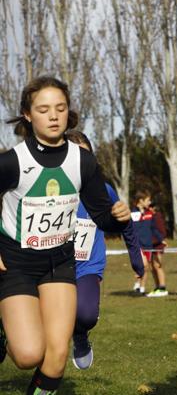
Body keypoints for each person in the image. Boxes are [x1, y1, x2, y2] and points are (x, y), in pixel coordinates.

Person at [0, 76, 131, 394]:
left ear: (68, 112)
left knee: (57, 357)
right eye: (43, 109)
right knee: (29, 354)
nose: (54, 115)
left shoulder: (82, 161)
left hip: (60, 262)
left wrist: (117, 219)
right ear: (28, 115)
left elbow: (101, 216)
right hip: (16, 264)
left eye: (60, 108)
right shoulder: (12, 161)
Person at [64, 130, 145, 371]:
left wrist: (135, 257)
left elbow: (125, 221)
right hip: (51, 265)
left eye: (85, 157)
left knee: (87, 315)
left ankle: (80, 336)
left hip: (87, 265)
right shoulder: (50, 185)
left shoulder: (103, 189)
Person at [130, 191, 164, 296]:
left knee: (146, 267)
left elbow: (153, 228)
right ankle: (138, 283)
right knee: (143, 265)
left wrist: (160, 239)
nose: (149, 202)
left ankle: (142, 288)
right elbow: (131, 229)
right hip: (138, 245)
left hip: (148, 245)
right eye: (148, 200)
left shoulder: (149, 213)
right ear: (141, 201)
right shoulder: (133, 213)